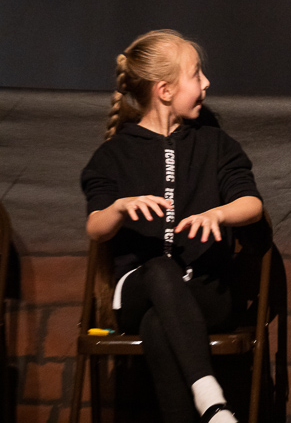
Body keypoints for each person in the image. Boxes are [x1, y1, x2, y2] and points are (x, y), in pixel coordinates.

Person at [81, 30, 263, 423]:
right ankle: (212, 399)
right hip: (135, 291)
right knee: (160, 271)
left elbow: (251, 205)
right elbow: (96, 227)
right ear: (164, 90)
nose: (206, 84)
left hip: (204, 291)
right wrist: (120, 207)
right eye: (196, 75)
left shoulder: (215, 144)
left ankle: (205, 401)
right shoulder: (113, 154)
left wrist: (219, 213)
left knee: (158, 323)